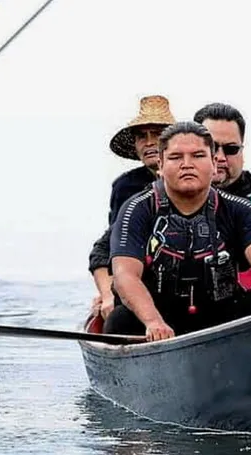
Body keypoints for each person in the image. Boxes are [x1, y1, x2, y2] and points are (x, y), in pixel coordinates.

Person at [107, 121, 251, 341]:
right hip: (157, 319)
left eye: (198, 156)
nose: (187, 165)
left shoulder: (241, 210)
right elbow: (125, 276)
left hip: (222, 314)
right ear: (160, 165)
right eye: (176, 157)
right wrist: (153, 322)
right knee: (118, 321)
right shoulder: (137, 208)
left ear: (215, 164)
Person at [194, 102, 251, 316]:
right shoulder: (164, 198)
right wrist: (106, 292)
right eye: (211, 147)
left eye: (231, 149)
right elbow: (109, 251)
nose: (220, 157)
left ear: (242, 149)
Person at [88, 95, 176, 321]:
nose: (148, 142)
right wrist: (107, 294)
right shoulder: (125, 187)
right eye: (141, 137)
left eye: (156, 135)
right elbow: (108, 248)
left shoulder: (200, 181)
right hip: (139, 282)